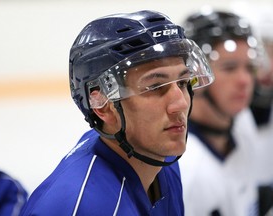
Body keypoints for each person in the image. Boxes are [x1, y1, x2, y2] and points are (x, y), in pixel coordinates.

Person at [20, 10, 214, 215]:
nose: (180, 103)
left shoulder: (160, 158)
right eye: (156, 87)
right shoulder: (82, 207)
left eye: (182, 82)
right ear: (103, 105)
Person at [178, 10, 262, 216]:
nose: (245, 81)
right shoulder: (184, 168)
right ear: (194, 77)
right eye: (230, 68)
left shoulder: (243, 122)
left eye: (249, 68)